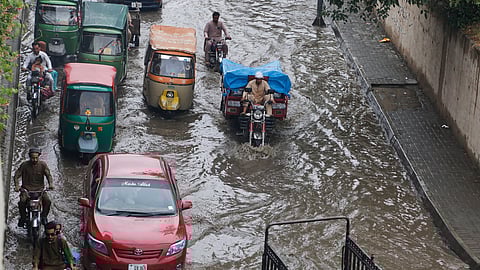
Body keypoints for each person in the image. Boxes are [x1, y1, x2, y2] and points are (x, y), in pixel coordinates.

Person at [13, 148, 54, 227]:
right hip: (26, 190)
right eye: (32, 158)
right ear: (29, 157)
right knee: (22, 202)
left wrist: (51, 184)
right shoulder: (24, 165)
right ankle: (23, 217)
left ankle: (44, 216)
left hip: (40, 190)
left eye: (36, 158)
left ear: (39, 157)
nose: (34, 159)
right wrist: (17, 186)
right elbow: (16, 175)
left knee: (48, 201)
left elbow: (48, 175)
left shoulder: (43, 165)